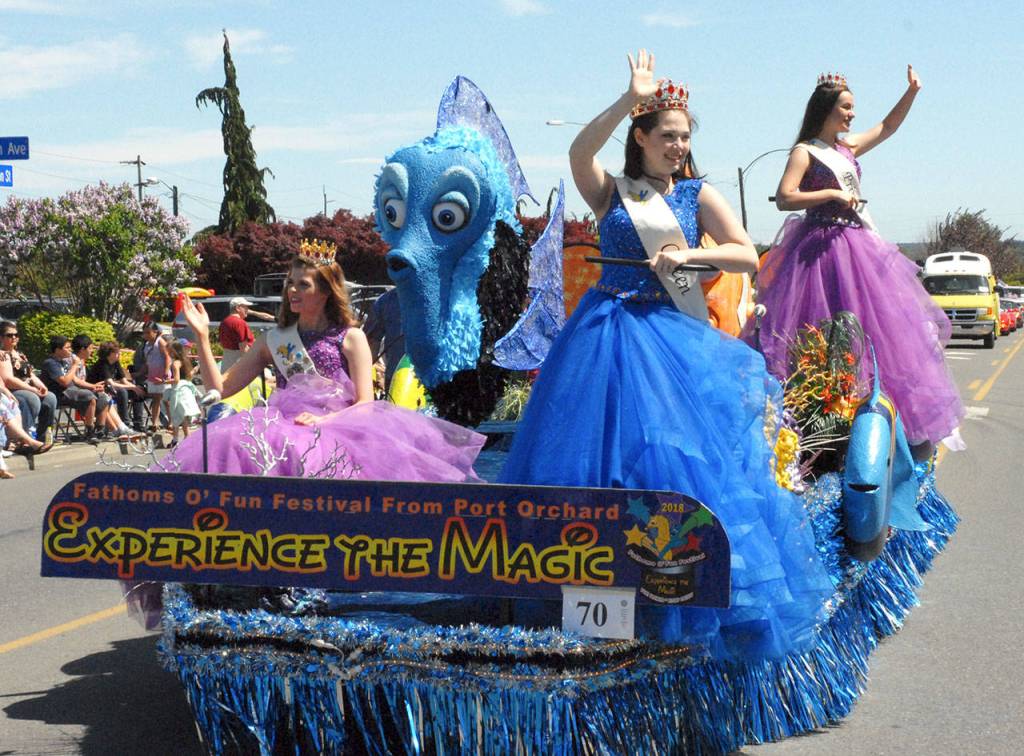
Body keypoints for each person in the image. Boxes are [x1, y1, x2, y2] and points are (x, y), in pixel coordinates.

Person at [498, 51, 833, 663]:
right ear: (641, 137)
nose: (678, 146)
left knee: (672, 465)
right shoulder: (614, 192)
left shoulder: (697, 194)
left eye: (685, 137)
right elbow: (579, 154)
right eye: (668, 136)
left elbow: (745, 254)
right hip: (604, 335)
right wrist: (629, 96)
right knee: (597, 465)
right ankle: (591, 597)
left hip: (671, 340)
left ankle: (668, 603)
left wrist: (691, 259)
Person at [744, 67, 963, 452]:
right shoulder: (805, 151)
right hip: (819, 251)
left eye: (852, 108)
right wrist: (830, 193)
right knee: (818, 329)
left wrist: (911, 92)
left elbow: (888, 127)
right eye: (846, 107)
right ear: (826, 109)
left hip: (855, 244)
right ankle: (816, 420)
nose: (851, 115)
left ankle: (873, 420)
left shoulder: (847, 149)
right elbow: (785, 197)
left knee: (872, 330)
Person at [169, 239, 484, 480]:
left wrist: (323, 421)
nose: (292, 290)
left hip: (337, 430)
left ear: (326, 291)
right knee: (230, 439)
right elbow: (220, 388)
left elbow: (364, 402)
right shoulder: (273, 340)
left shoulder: (351, 337)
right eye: (290, 283)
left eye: (303, 284)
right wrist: (200, 337)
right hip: (281, 426)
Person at [0, 320, 57, 442]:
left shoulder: (20, 354)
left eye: (16, 335)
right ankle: (26, 436)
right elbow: (8, 380)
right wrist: (32, 389)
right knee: (31, 398)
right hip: (13, 390)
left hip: (28, 387)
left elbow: (30, 374)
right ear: (2, 338)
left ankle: (44, 435)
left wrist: (41, 386)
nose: (14, 337)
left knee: (50, 397)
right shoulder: (3, 355)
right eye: (10, 335)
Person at [67, 335, 134, 439]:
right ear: (82, 349)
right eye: (90, 348)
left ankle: (118, 427)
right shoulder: (73, 360)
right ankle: (113, 429)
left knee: (105, 397)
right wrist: (93, 386)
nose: (92, 351)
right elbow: (75, 380)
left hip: (88, 389)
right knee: (101, 397)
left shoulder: (82, 360)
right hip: (75, 391)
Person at [87, 340, 146, 431]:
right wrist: (132, 387)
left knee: (137, 391)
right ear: (109, 354)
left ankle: (138, 422)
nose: (119, 354)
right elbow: (111, 383)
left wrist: (136, 388)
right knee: (122, 392)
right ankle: (124, 422)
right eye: (117, 353)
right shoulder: (102, 364)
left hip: (111, 389)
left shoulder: (116, 363)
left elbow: (124, 381)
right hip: (101, 390)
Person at [362, 287, 404, 391]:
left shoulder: (443, 297)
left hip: (435, 382)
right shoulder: (386, 301)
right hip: (395, 381)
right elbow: (370, 344)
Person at [163, 340, 201, 446]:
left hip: (178, 390)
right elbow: (189, 375)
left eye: (170, 351)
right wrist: (196, 368)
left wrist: (163, 381)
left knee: (177, 413)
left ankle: (180, 438)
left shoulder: (175, 363)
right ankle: (180, 438)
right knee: (182, 414)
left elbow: (176, 379)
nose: (169, 354)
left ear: (174, 351)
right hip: (186, 389)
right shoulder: (185, 361)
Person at [218, 296, 270, 371]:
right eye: (245, 307)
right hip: (238, 363)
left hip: (227, 362)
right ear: (238, 308)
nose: (247, 310)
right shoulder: (240, 323)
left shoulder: (224, 322)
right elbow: (244, 349)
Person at [140, 321, 171, 432]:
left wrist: (166, 372)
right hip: (152, 376)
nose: (146, 335)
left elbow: (167, 357)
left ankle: (171, 422)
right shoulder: (146, 345)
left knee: (166, 400)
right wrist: (140, 373)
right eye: (144, 333)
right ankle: (155, 423)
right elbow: (147, 362)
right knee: (156, 399)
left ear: (155, 332)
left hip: (162, 376)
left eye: (148, 332)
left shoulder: (160, 342)